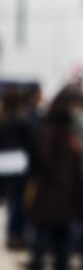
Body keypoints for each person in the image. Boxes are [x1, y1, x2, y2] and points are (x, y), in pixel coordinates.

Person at [28, 86, 83, 270]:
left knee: (59, 230)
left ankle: (60, 266)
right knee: (47, 231)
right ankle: (41, 265)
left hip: (60, 190)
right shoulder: (53, 130)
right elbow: (46, 159)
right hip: (54, 190)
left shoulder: (60, 129)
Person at [0, 86, 36, 251]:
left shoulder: (4, 118)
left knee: (10, 202)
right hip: (19, 163)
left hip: (4, 162)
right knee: (18, 203)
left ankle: (12, 234)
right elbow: (30, 143)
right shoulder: (22, 119)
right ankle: (15, 235)